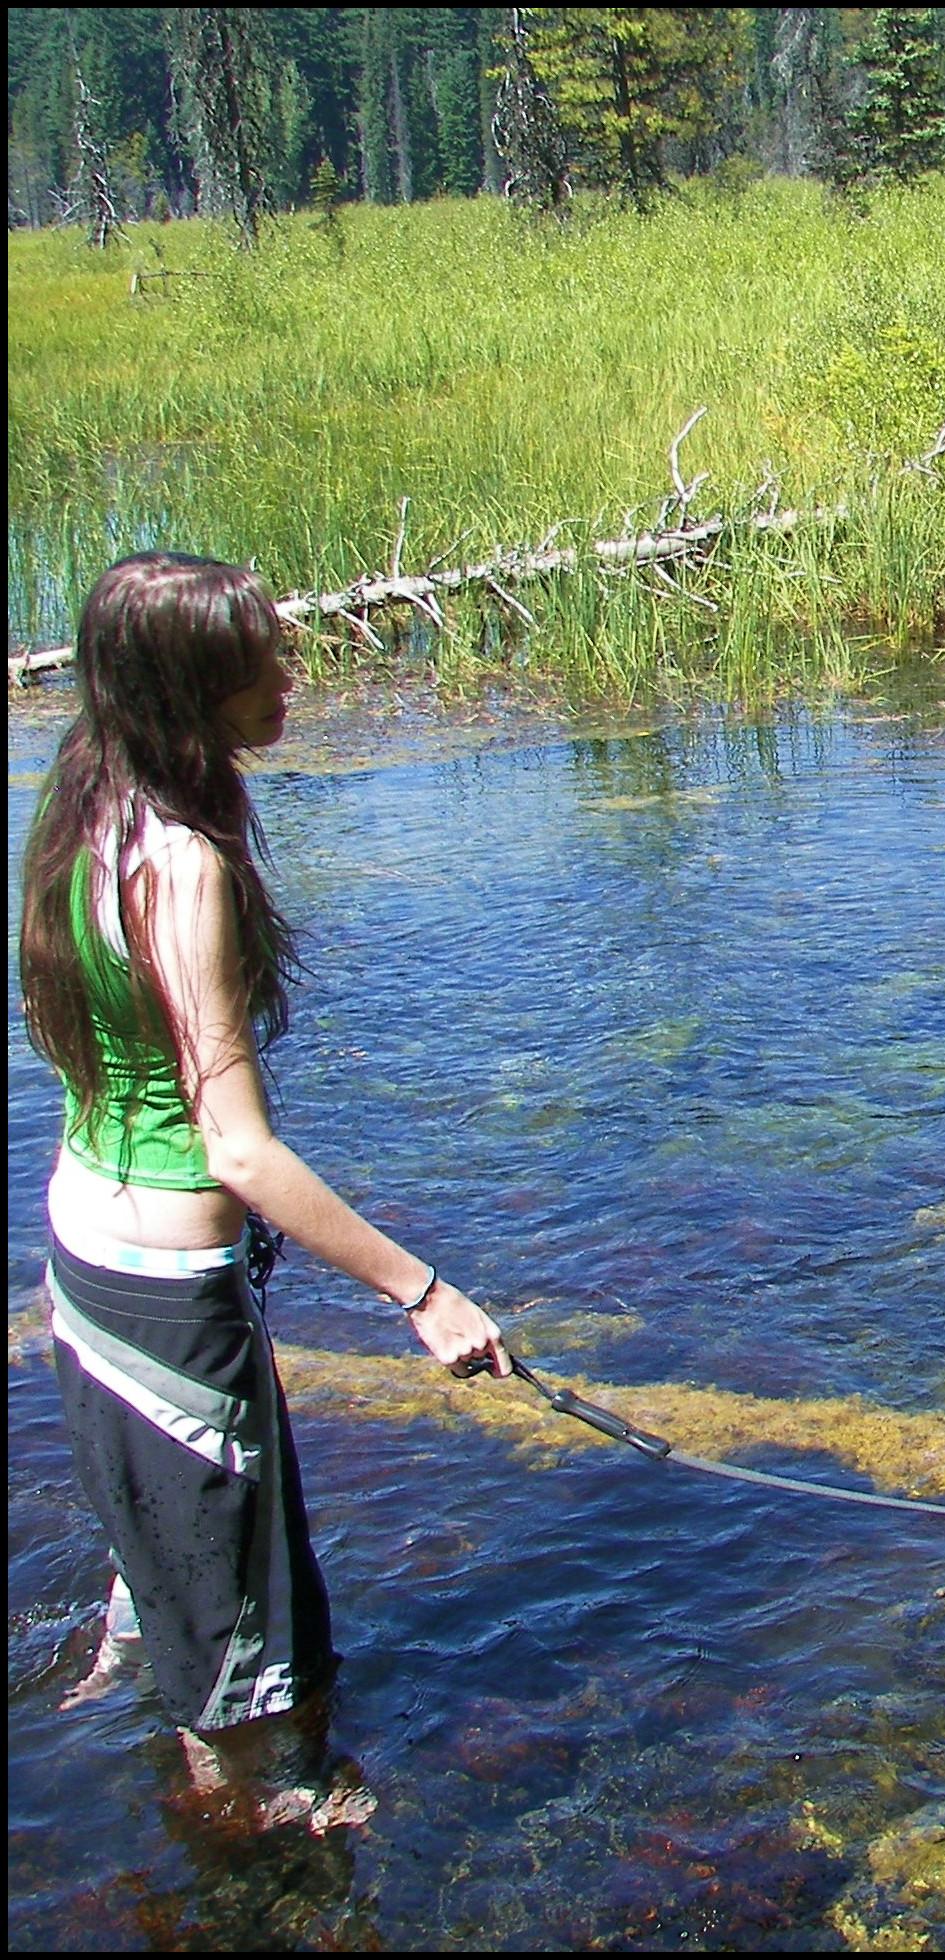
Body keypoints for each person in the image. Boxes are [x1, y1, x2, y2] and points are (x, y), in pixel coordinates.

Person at [17, 552, 508, 1831]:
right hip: (167, 1293)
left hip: (84, 1253)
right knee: (254, 1667)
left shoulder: (84, 800)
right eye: (264, 664)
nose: (293, 677)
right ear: (194, 690)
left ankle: (163, 1738)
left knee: (185, 1569)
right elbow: (236, 1149)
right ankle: (266, 1830)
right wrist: (425, 1290)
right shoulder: (177, 863)